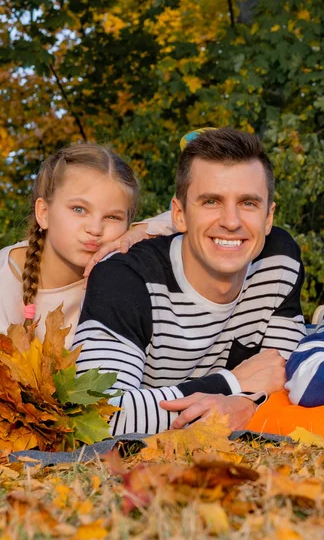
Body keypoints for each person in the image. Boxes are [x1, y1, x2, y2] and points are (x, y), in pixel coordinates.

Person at [72, 127, 306, 435]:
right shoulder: (124, 278)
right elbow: (97, 416)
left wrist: (244, 405)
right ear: (179, 214)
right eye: (211, 201)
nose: (231, 221)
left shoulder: (278, 259)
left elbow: (283, 378)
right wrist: (233, 383)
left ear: (268, 217)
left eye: (248, 203)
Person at [0, 143, 173, 398]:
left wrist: (138, 233)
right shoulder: (4, 278)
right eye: (79, 209)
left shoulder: (119, 258)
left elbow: (187, 218)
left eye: (112, 217)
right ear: (43, 213)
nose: (95, 228)